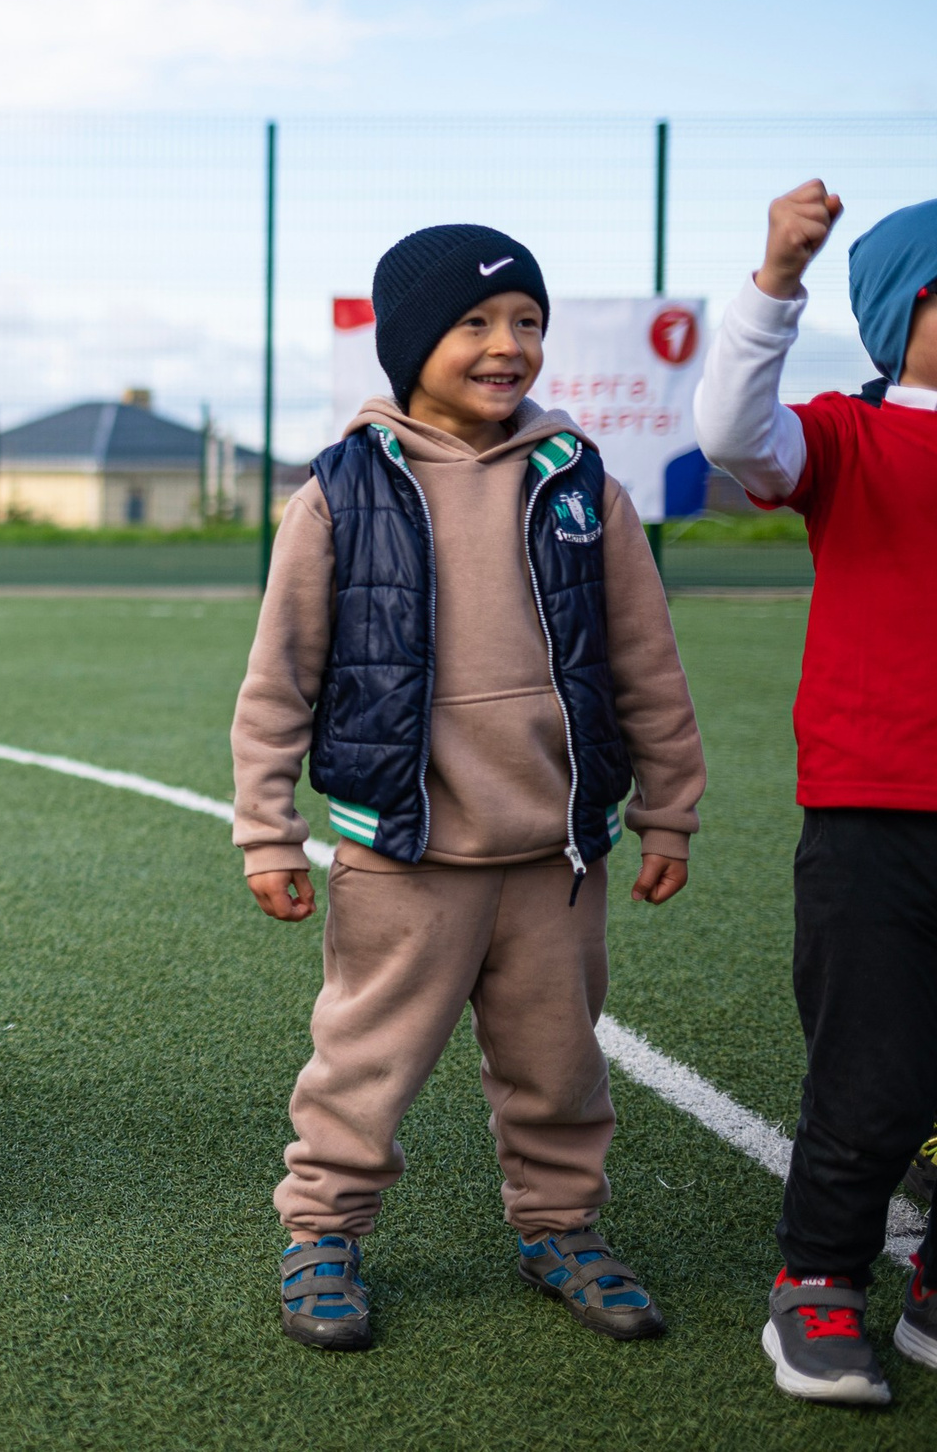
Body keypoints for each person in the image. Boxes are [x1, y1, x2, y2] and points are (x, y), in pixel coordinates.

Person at [233, 223, 706, 1351]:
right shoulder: (341, 490)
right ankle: (323, 1232)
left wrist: (666, 809)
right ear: (409, 345)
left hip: (559, 855)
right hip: (403, 852)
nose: (508, 347)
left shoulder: (580, 482)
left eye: (527, 322)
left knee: (558, 1063)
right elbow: (280, 673)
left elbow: (643, 658)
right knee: (364, 1062)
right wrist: (264, 828)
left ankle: (560, 1225)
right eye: (476, 324)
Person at [693, 182, 937, 1407]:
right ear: (910, 311)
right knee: (873, 1069)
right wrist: (776, 281)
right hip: (876, 812)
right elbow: (734, 434)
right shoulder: (846, 433)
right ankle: (820, 1284)